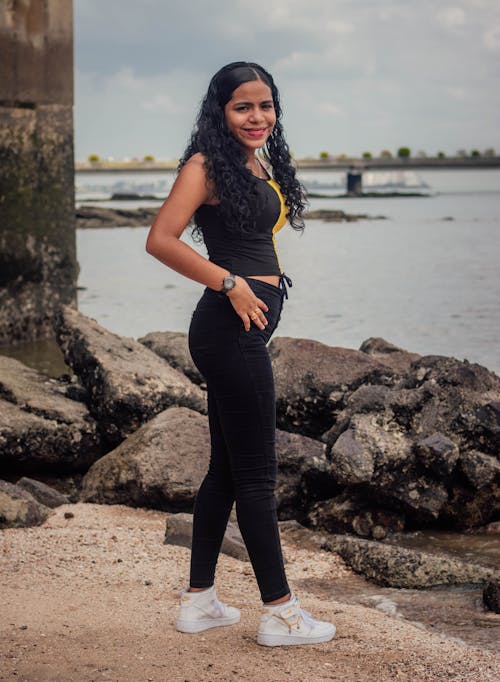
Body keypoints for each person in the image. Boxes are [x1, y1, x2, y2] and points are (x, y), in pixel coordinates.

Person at [146, 61, 335, 647]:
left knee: (228, 470)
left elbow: (254, 239)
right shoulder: (205, 166)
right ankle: (281, 613)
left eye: (266, 106)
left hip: (239, 331)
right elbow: (160, 239)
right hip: (228, 331)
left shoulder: (251, 162)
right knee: (257, 475)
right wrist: (230, 283)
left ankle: (199, 600)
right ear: (220, 111)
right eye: (243, 107)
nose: (257, 117)